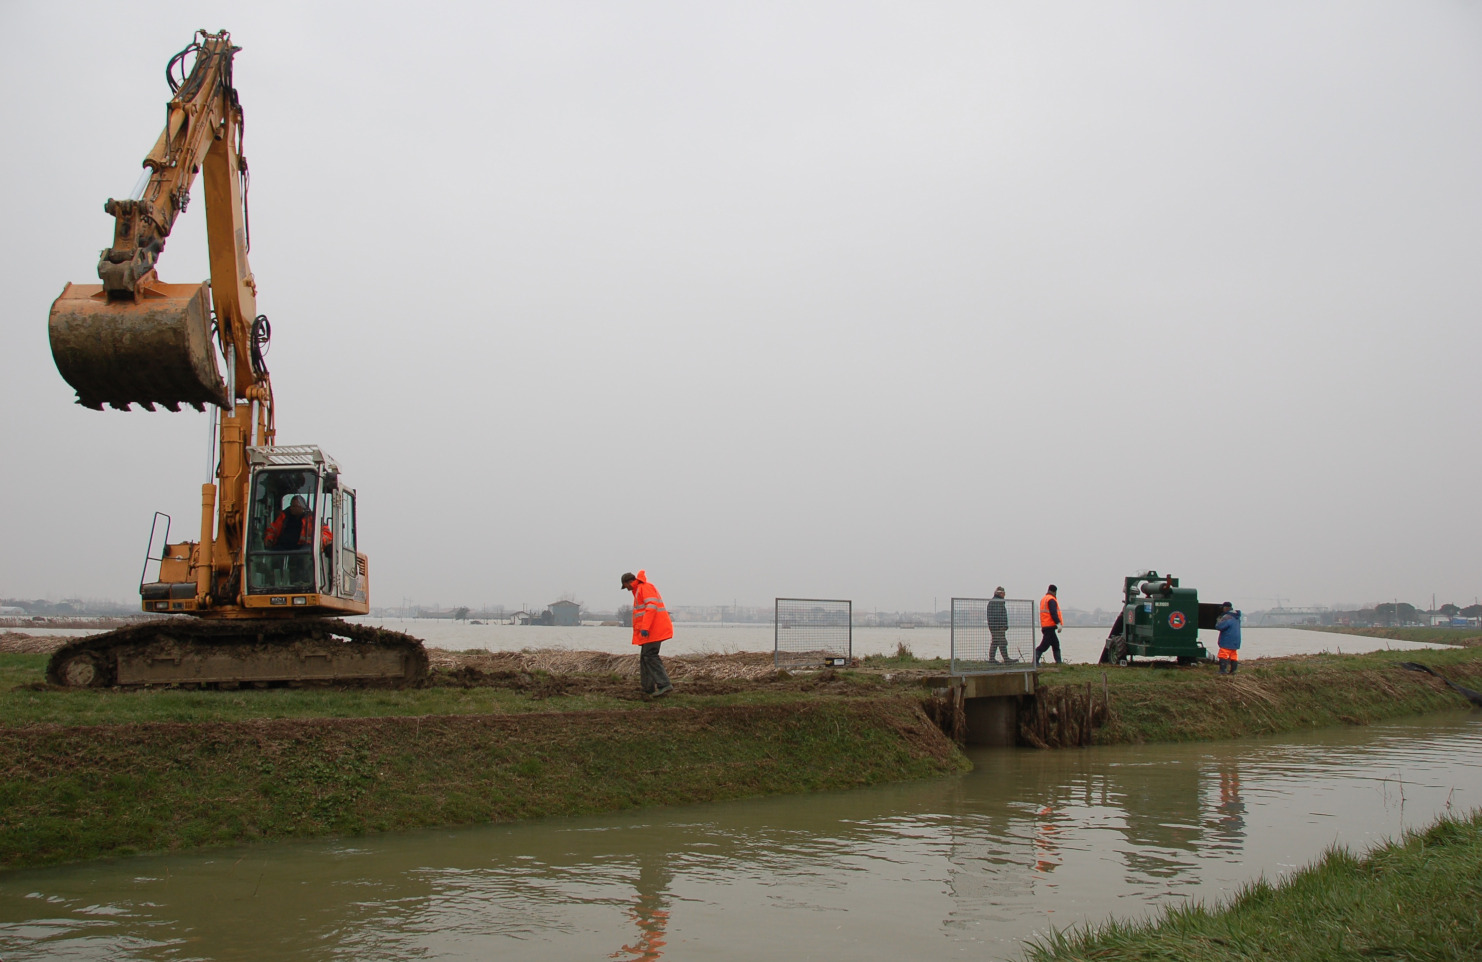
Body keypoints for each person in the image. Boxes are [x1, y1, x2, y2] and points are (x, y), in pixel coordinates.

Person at [622, 570, 674, 698]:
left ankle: (664, 685)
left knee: (650, 656)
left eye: (626, 586)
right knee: (645, 657)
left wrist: (645, 627)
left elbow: (651, 608)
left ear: (629, 582)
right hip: (651, 631)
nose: (627, 590)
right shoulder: (640, 589)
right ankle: (648, 688)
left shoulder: (645, 588)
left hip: (654, 630)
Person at [264, 495, 331, 550]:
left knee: (307, 552)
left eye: (294, 506)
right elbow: (272, 529)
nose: (291, 508)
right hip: (283, 548)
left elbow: (326, 533)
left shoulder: (313, 518)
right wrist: (269, 539)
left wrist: (319, 542)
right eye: (291, 505)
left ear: (302, 507)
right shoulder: (284, 517)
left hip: (303, 549)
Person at [1034, 584, 1063, 666]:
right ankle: (1035, 660)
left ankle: (1059, 662)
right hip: (1050, 626)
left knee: (1056, 644)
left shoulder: (1044, 599)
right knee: (1044, 645)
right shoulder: (1051, 599)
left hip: (1045, 625)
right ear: (1054, 591)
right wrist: (1058, 623)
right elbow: (1053, 613)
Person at [986, 587, 1014, 663]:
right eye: (1003, 593)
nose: (1004, 594)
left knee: (996, 642)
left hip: (994, 626)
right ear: (1000, 593)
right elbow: (998, 615)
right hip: (997, 627)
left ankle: (994, 658)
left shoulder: (995, 601)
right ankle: (1005, 659)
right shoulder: (997, 602)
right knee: (1001, 642)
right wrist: (1002, 625)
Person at [1215, 601, 1242, 674]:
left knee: (1223, 654)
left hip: (1227, 640)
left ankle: (1223, 670)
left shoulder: (1227, 617)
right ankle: (1233, 671)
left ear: (1226, 608)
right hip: (1236, 640)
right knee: (1233, 655)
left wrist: (1219, 619)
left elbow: (1219, 626)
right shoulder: (1236, 617)